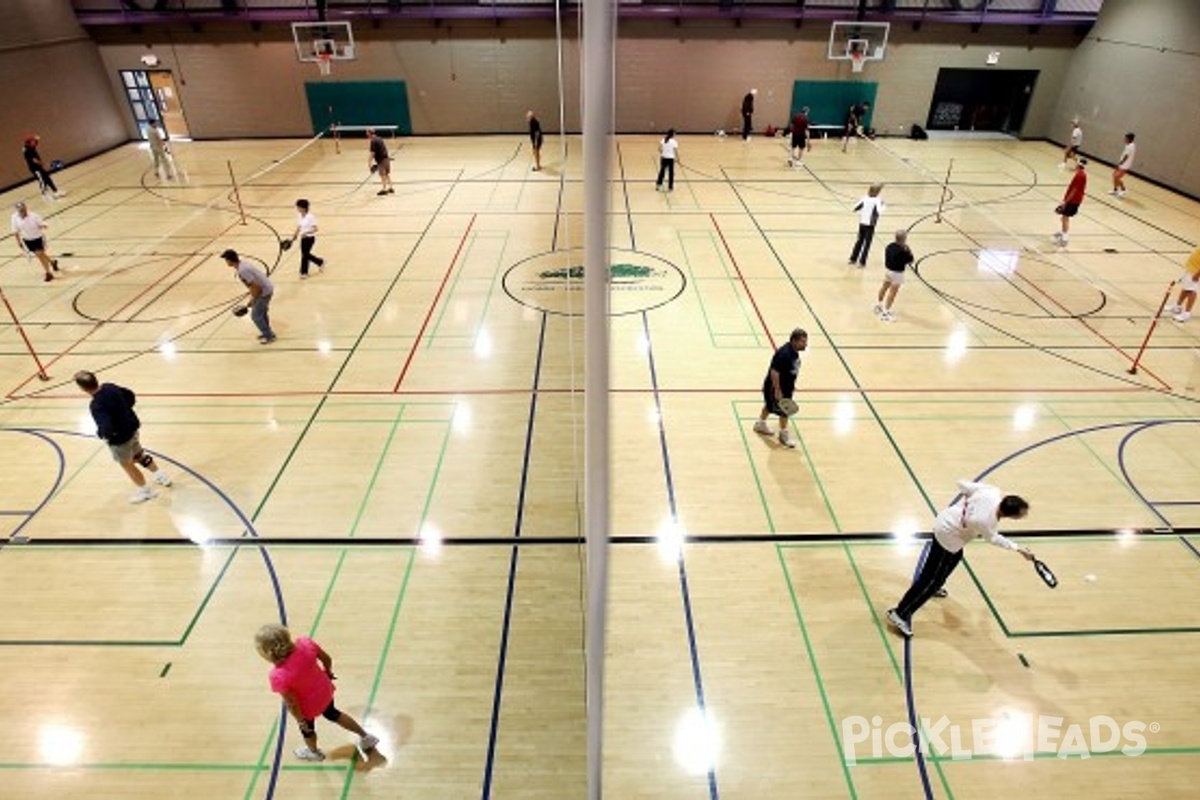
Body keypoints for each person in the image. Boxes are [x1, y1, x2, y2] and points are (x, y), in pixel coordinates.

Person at [887, 480, 1035, 638]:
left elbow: (962, 484)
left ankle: (934, 587)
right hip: (948, 536)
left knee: (955, 558)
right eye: (1021, 514)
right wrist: (1018, 549)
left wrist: (969, 502)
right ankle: (900, 613)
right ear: (1010, 515)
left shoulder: (991, 492)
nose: (1023, 516)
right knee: (930, 580)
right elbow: (993, 538)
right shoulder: (986, 521)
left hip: (947, 520)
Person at [254, 624, 379, 762]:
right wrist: (329, 673)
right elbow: (327, 659)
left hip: (307, 707)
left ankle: (313, 752)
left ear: (266, 651)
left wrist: (301, 721)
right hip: (325, 691)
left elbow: (292, 703)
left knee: (308, 730)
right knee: (334, 714)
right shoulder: (305, 643)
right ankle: (366, 737)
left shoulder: (277, 676)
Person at [74, 370, 172, 504]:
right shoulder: (110, 387)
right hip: (132, 428)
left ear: (82, 388)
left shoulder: (96, 405)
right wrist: (125, 411)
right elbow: (130, 395)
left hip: (120, 439)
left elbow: (106, 427)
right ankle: (161, 476)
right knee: (139, 455)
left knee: (128, 465)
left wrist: (103, 435)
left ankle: (145, 491)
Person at [753, 328, 808, 449]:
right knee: (785, 410)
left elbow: (789, 370)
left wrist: (792, 383)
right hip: (776, 387)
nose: (805, 344)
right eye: (803, 341)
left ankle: (760, 424)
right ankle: (783, 435)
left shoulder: (793, 352)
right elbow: (774, 372)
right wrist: (777, 390)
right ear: (794, 341)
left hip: (785, 387)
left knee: (769, 405)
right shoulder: (784, 354)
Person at [222, 248, 276, 344]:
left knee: (256, 316)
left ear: (229, 260)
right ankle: (268, 332)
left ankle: (269, 336)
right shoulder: (242, 264)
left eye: (226, 260)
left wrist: (253, 299)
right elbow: (254, 285)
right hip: (267, 288)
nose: (226, 262)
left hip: (264, 292)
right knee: (262, 313)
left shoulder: (242, 270)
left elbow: (257, 287)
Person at [11, 201, 61, 282]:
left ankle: (48, 273)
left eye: (24, 209)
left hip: (38, 238)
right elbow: (15, 230)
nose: (23, 212)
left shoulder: (34, 216)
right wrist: (18, 242)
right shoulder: (14, 217)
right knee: (41, 255)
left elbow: (43, 223)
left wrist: (43, 225)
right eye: (21, 210)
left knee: (39, 254)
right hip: (27, 240)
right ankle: (52, 262)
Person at [874, 230, 914, 322]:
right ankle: (886, 313)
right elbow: (911, 260)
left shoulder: (889, 246)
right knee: (893, 292)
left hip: (888, 271)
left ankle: (879, 305)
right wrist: (908, 251)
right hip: (897, 273)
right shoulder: (903, 250)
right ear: (904, 239)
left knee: (884, 287)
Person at [848, 184, 885, 267]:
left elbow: (855, 207)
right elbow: (879, 211)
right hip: (870, 225)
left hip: (862, 223)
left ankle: (853, 259)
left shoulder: (864, 198)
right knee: (867, 244)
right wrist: (883, 205)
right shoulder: (877, 200)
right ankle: (862, 262)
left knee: (859, 241)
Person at [1053, 159, 1087, 245]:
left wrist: (1066, 201)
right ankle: (1063, 231)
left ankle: (1064, 237)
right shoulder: (1082, 174)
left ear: (1078, 165)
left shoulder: (1079, 176)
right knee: (1064, 217)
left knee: (1065, 217)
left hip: (1073, 200)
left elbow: (1074, 190)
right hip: (1075, 199)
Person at [289, 199, 324, 278]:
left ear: (303, 208)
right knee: (305, 254)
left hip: (310, 239)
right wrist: (295, 235)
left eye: (298, 207)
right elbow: (299, 227)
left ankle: (305, 272)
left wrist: (306, 233)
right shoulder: (299, 216)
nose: (297, 209)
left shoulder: (310, 217)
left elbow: (315, 229)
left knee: (305, 254)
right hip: (303, 239)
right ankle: (319, 263)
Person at [1167, 245, 1200, 323]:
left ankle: (1187, 313)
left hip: (1195, 271)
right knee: (1186, 288)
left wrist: (1198, 274)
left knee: (1192, 291)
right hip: (1191, 268)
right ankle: (1177, 306)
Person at [367, 128, 393, 195]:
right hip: (386, 158)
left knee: (382, 175)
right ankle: (391, 188)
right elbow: (384, 148)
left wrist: (369, 163)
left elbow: (372, 153)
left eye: (367, 132)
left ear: (369, 133)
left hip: (381, 161)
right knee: (387, 174)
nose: (366, 134)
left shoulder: (373, 141)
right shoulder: (380, 138)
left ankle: (384, 189)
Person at [1110, 132, 1135, 197]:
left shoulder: (1130, 146)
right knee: (1114, 175)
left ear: (1130, 139)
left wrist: (1120, 163)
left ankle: (1123, 189)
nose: (1124, 139)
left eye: (1126, 138)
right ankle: (1115, 190)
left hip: (1124, 166)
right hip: (1122, 164)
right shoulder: (1129, 145)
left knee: (1116, 177)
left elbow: (1126, 156)